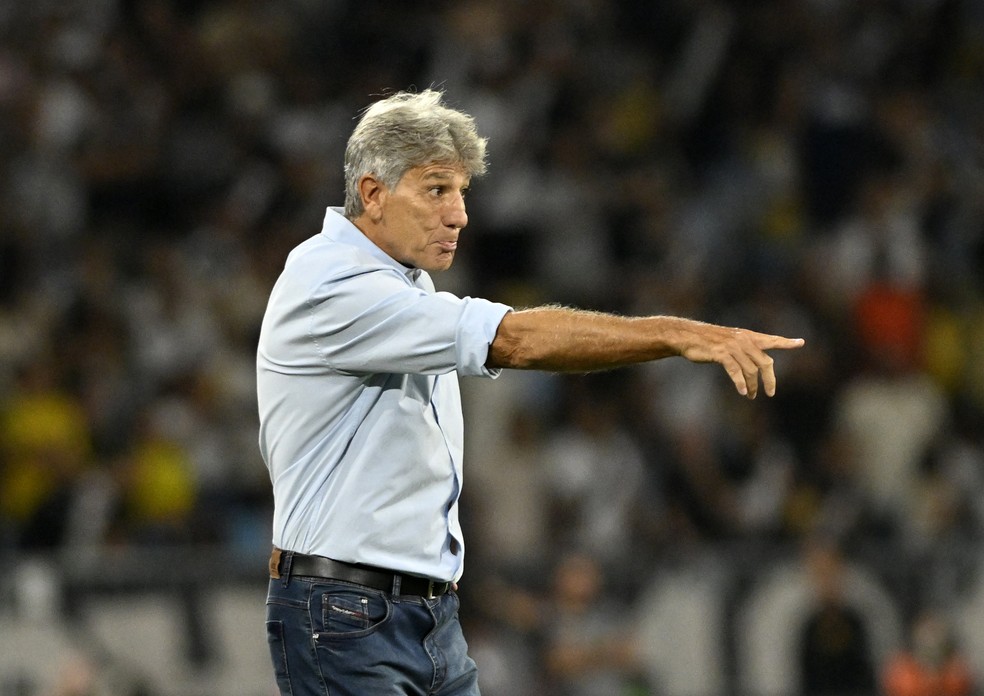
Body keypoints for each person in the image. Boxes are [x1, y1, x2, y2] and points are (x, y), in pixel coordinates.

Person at [256, 88, 805, 696]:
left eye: (462, 192)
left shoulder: (405, 289)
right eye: (437, 189)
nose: (460, 214)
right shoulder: (331, 283)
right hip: (345, 614)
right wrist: (672, 333)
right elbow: (515, 341)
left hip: (423, 615)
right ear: (372, 193)